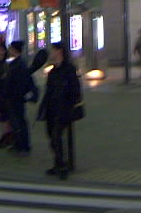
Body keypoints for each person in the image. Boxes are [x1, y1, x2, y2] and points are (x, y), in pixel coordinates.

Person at [36, 42, 82, 180]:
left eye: (53, 50)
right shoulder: (53, 71)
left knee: (57, 136)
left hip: (64, 109)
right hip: (52, 109)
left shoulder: (69, 69)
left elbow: (75, 89)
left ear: (59, 51)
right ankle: (58, 163)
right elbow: (48, 91)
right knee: (52, 136)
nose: (51, 53)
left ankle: (62, 165)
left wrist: (71, 104)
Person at [4, 41, 38, 155]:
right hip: (14, 97)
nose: (9, 50)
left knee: (20, 121)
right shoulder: (17, 63)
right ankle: (18, 144)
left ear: (14, 50)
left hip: (16, 98)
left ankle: (24, 146)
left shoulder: (19, 64)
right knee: (16, 121)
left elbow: (20, 83)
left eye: (10, 48)